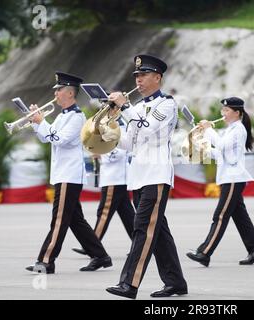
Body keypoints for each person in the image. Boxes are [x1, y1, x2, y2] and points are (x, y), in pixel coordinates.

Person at [105, 54, 187, 299]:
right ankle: (176, 283)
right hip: (138, 176)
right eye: (136, 76)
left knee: (142, 229)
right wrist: (109, 129)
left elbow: (149, 128)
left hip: (156, 175)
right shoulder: (137, 107)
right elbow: (130, 143)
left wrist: (125, 108)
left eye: (143, 75)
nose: (138, 80)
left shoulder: (167, 104)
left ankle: (129, 284)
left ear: (158, 78)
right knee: (158, 232)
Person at [26, 72, 112, 274]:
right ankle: (100, 256)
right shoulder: (62, 116)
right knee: (75, 220)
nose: (55, 93)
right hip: (62, 174)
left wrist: (42, 122)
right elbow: (46, 138)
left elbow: (60, 139)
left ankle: (46, 260)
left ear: (70, 93)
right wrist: (36, 122)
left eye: (59, 89)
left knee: (59, 220)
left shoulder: (76, 117)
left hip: (69, 175)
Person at [186, 97, 254, 267]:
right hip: (228, 177)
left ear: (237, 113)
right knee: (241, 218)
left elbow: (221, 146)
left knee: (220, 216)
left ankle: (204, 252)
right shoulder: (230, 129)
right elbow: (221, 154)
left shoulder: (238, 129)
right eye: (223, 110)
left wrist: (208, 130)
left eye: (227, 110)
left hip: (233, 179)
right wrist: (200, 144)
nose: (223, 113)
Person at [72, 119, 135, 256]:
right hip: (113, 178)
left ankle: (92, 244)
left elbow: (119, 151)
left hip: (115, 178)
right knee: (128, 216)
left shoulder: (120, 125)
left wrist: (101, 153)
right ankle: (138, 245)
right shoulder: (109, 123)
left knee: (104, 213)